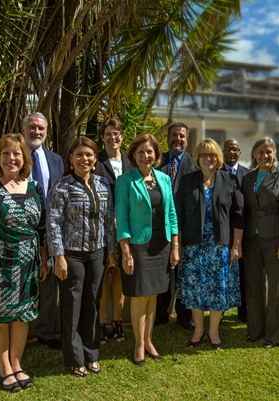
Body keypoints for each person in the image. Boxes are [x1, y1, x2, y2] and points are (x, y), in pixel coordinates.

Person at [0, 133, 48, 392]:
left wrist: (44, 258)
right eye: (6, 154)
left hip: (29, 265)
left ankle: (16, 362)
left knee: (22, 316)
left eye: (16, 154)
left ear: (24, 158)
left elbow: (42, 226)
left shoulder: (34, 187)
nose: (11, 158)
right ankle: (4, 367)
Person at [47, 136, 114, 377]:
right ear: (71, 159)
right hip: (72, 255)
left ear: (95, 159)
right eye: (79, 155)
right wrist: (58, 256)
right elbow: (53, 222)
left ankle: (92, 353)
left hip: (97, 252)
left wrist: (111, 252)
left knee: (92, 304)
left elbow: (108, 221)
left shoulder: (103, 184)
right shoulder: (62, 186)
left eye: (89, 155)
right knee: (72, 306)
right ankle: (74, 359)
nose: (84, 159)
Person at [115, 134, 180, 365]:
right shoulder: (125, 181)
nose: (145, 156)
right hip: (138, 244)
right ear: (133, 155)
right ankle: (138, 344)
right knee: (139, 296)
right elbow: (121, 218)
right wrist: (126, 251)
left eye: (149, 151)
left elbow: (171, 213)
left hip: (161, 244)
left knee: (153, 295)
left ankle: (149, 339)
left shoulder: (163, 178)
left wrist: (175, 245)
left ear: (156, 154)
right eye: (141, 152)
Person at [177, 139, 243, 349]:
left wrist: (236, 245)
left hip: (219, 245)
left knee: (217, 289)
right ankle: (198, 330)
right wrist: (177, 243)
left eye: (213, 155)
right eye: (205, 155)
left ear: (219, 158)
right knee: (195, 289)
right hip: (193, 246)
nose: (209, 159)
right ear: (198, 158)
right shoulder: (187, 181)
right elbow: (178, 214)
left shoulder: (229, 180)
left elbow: (238, 216)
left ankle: (213, 332)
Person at [241, 137, 279, 348]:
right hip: (251, 241)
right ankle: (255, 331)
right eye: (261, 152)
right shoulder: (248, 178)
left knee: (277, 288)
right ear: (254, 155)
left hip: (276, 242)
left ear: (275, 153)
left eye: (269, 151)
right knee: (253, 286)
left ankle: (275, 335)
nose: (265, 156)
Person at [23, 112, 65, 350]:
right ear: (24, 129)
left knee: (48, 281)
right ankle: (19, 328)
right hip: (21, 229)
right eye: (32, 127)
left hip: (49, 228)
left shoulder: (56, 160)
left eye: (41, 128)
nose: (36, 132)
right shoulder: (14, 156)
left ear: (46, 132)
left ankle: (46, 330)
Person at [94, 117, 131, 343]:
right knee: (105, 274)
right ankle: (104, 321)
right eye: (108, 134)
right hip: (103, 227)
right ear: (103, 137)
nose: (113, 137)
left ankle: (118, 320)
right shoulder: (96, 162)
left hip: (126, 227)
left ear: (122, 136)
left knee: (119, 275)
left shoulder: (130, 162)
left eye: (116, 133)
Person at [157, 122, 196, 329]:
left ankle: (184, 315)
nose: (177, 139)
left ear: (187, 139)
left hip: (184, 229)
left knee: (184, 272)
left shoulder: (194, 165)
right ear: (168, 137)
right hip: (160, 228)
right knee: (163, 271)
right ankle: (161, 314)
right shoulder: (157, 160)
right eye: (174, 135)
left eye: (181, 136)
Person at [223, 138, 251, 323]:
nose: (232, 152)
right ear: (223, 151)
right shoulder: (216, 173)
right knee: (223, 273)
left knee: (244, 275)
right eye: (229, 149)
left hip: (245, 233)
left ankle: (244, 312)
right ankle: (221, 310)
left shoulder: (248, 175)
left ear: (240, 153)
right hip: (223, 233)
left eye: (236, 149)